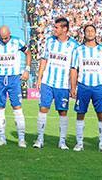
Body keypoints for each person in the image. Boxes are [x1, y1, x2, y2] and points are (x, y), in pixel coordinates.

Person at [34, 17, 79, 149]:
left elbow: (73, 68)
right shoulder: (49, 41)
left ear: (64, 29)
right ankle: (39, 139)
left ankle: (62, 141)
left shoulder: (74, 46)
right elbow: (44, 60)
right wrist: (39, 78)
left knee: (63, 111)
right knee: (43, 109)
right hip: (48, 82)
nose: (54, 29)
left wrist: (72, 86)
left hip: (63, 85)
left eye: (57, 27)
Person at [70, 24, 102, 152]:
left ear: (96, 33)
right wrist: (73, 86)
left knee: (101, 114)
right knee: (80, 113)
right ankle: (80, 143)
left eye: (92, 31)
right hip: (83, 86)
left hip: (98, 86)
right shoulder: (78, 50)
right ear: (84, 34)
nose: (90, 33)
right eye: (87, 31)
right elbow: (74, 69)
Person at [0, 25, 28, 147]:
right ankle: (1, 138)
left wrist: (27, 69)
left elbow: (28, 53)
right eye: (2, 38)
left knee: (17, 107)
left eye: (6, 38)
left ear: (10, 34)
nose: (4, 41)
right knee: (0, 107)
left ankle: (21, 139)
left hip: (14, 77)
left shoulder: (17, 41)